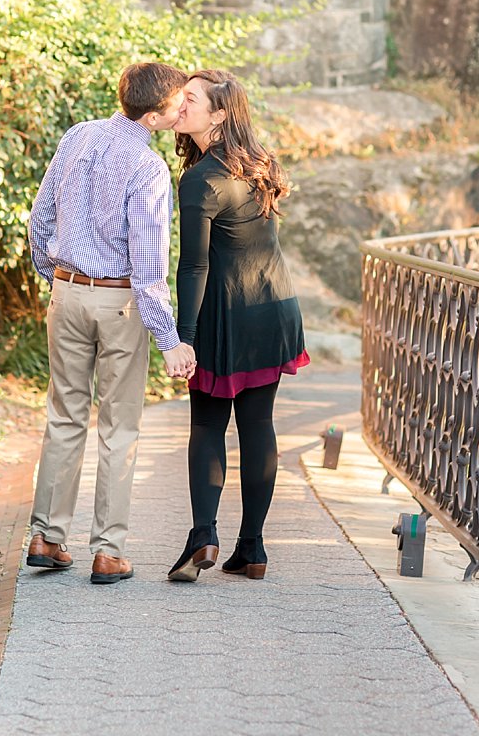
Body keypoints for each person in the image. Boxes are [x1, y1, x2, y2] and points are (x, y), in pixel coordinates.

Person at [24, 63, 197, 586]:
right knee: (119, 427)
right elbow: (149, 267)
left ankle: (46, 538)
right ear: (154, 115)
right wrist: (168, 339)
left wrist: (52, 275)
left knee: (64, 416)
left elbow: (40, 219)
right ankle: (108, 552)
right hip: (120, 302)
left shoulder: (78, 135)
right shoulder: (149, 169)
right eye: (176, 104)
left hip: (67, 292)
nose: (182, 109)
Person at [166, 70, 308, 583]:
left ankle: (203, 536)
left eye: (190, 100)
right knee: (257, 426)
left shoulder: (201, 178)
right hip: (274, 307)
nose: (179, 106)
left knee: (207, 425)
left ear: (219, 114)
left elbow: (194, 266)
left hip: (227, 315)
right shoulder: (260, 162)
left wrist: (182, 336)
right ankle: (253, 548)